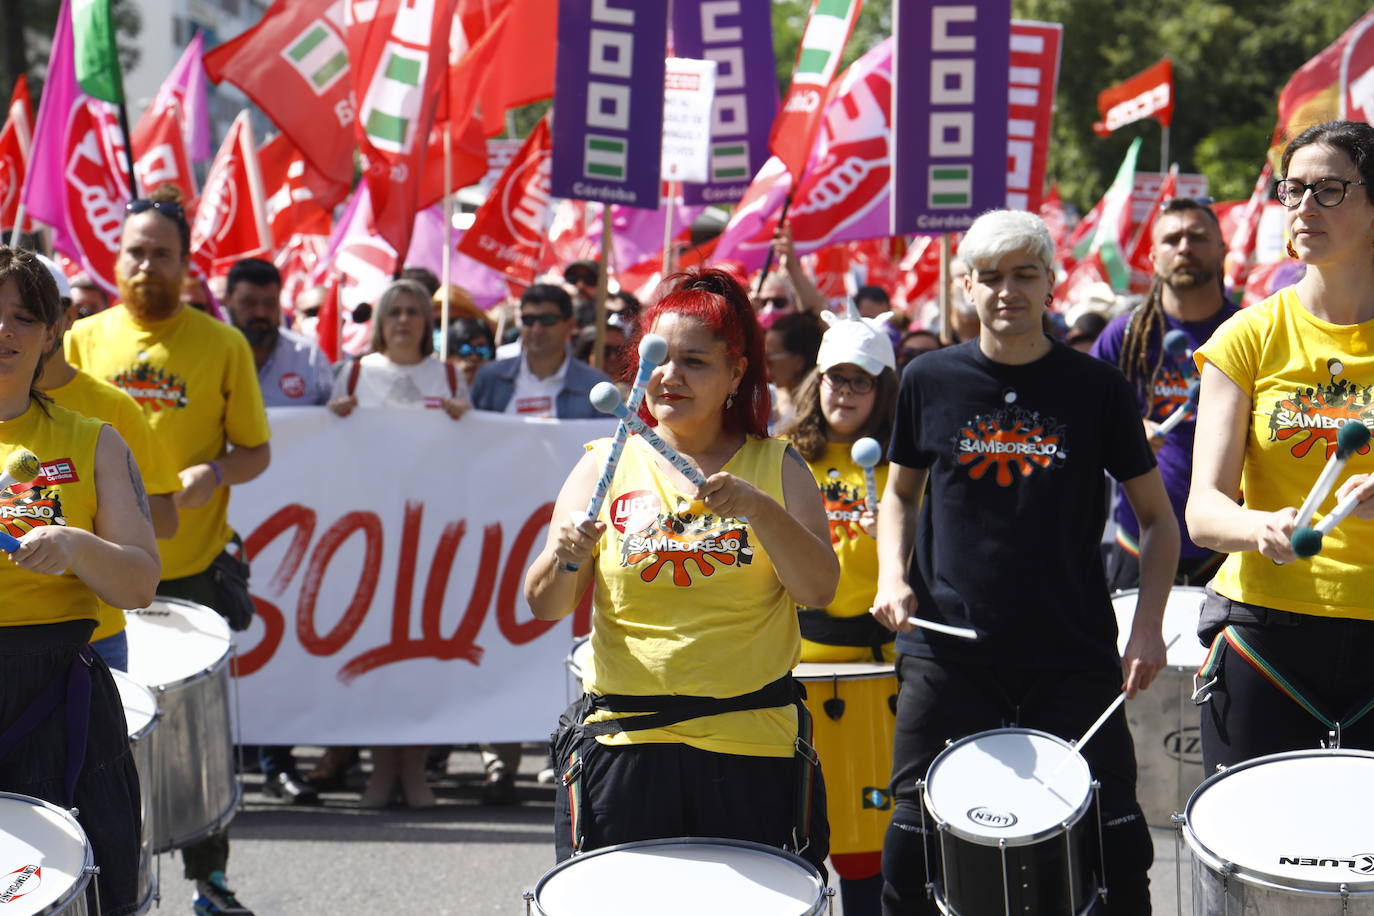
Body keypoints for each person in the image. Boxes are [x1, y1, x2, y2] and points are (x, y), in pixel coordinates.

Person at [872, 210, 1178, 914]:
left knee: (1117, 842)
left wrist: (1148, 628)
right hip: (947, 652)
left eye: (1024, 275)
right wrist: (892, 575)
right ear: (966, 287)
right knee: (913, 839)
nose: (1008, 291)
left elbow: (1159, 522)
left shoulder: (1096, 389)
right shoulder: (927, 378)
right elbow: (900, 497)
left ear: (1049, 284)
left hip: (1071, 652)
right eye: (991, 278)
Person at [526, 267, 837, 870]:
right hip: (624, 748)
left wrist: (762, 512)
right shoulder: (603, 463)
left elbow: (818, 590)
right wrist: (565, 553)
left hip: (753, 748)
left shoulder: (778, 466)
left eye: (695, 361)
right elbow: (545, 604)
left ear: (735, 373)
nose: (670, 376)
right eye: (659, 359)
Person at [66, 186, 272, 916]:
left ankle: (209, 878)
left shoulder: (223, 345)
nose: (145, 266)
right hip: (102, 575)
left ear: (188, 266)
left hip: (191, 570)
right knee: (108, 740)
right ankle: (104, 877)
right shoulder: (81, 339)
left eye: (160, 254)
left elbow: (256, 451)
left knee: (195, 739)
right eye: (134, 252)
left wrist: (211, 473)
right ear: (115, 259)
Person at [1187, 120, 1374, 771]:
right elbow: (1204, 512)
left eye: (1329, 190)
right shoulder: (1248, 334)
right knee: (1250, 865)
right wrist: (1259, 526)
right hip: (1265, 639)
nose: (1303, 209)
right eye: (1292, 191)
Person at [0, 247, 161, 916]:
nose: (3, 332)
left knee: (79, 881)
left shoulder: (95, 439)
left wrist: (74, 544)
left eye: (21, 317)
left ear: (50, 333)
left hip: (60, 693)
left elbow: (140, 583)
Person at [327, 279, 469, 809]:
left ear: (428, 323)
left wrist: (464, 423)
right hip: (368, 539)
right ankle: (380, 771)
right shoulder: (357, 373)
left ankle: (414, 771)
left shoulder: (450, 376)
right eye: (395, 313)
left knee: (420, 659)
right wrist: (334, 421)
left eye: (414, 312)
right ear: (381, 322)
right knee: (374, 657)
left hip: (432, 538)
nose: (405, 321)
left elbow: (471, 458)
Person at [785, 304, 900, 915]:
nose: (846, 391)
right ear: (817, 380)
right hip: (791, 672)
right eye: (836, 377)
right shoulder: (780, 454)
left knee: (864, 845)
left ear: (882, 389)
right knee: (791, 843)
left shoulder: (904, 465)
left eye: (862, 380)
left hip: (873, 675)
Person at [32, 254, 180, 671]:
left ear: (64, 318)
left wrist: (81, 529)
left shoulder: (110, 410)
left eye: (30, 313)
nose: (10, 328)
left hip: (94, 638)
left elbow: (165, 519)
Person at [222, 257, 332, 805]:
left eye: (269, 303)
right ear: (229, 302)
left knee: (281, 635)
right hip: (217, 522)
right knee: (225, 637)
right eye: (249, 304)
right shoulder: (211, 352)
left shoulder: (308, 360)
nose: (261, 314)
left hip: (293, 530)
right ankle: (219, 766)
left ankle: (279, 760)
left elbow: (335, 433)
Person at [1093, 197, 1237, 591]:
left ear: (1223, 249)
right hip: (1136, 541)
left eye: (1198, 236)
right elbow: (1082, 421)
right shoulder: (1123, 336)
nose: (1185, 247)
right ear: (1154, 257)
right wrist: (1128, 430)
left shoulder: (1253, 331)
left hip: (1229, 550)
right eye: (1173, 239)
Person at [469, 284, 611, 420]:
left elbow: (612, 441)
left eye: (547, 320)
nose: (537, 329)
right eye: (529, 320)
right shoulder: (489, 378)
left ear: (570, 325)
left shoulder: (596, 386)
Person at [764, 310, 823, 434]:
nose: (765, 366)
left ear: (798, 362)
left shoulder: (823, 410)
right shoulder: (764, 400)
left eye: (769, 359)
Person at [446, 317, 497, 388]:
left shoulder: (502, 388)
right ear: (451, 357)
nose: (474, 358)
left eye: (481, 350)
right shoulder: (441, 388)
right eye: (466, 350)